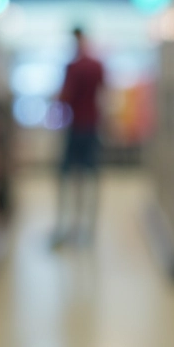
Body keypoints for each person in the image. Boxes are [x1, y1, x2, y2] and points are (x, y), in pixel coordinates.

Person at [53, 27, 106, 246]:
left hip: (75, 127)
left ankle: (67, 224)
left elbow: (65, 96)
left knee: (67, 177)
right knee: (91, 176)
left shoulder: (73, 67)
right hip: (92, 126)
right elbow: (104, 91)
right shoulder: (97, 66)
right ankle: (89, 227)